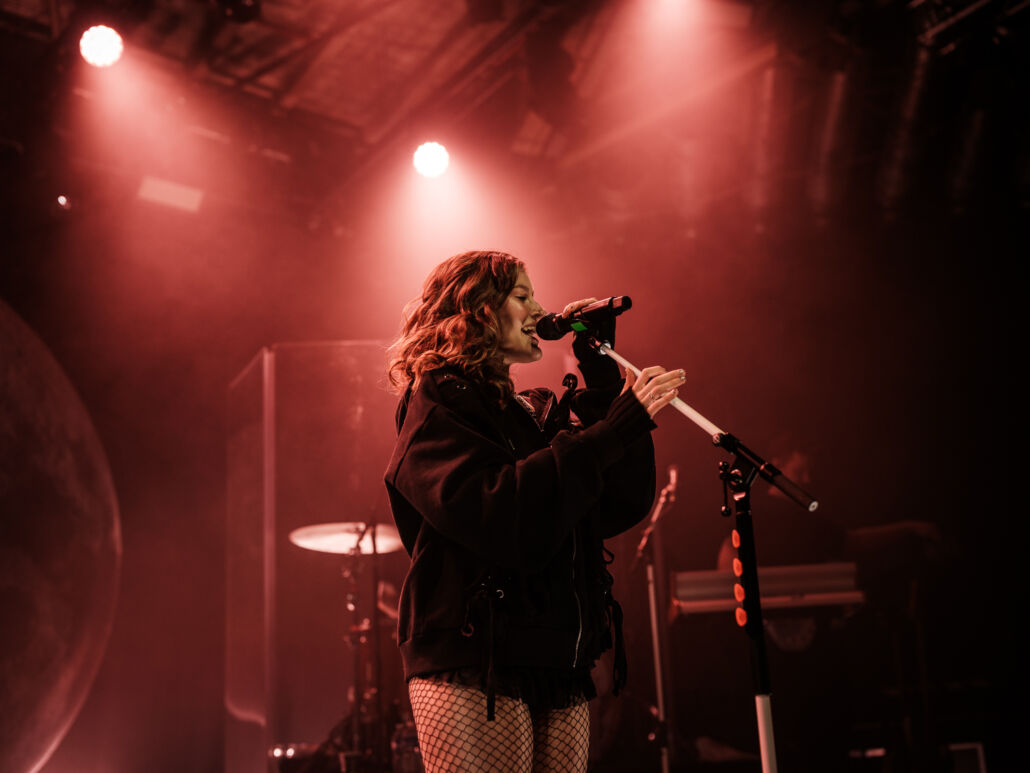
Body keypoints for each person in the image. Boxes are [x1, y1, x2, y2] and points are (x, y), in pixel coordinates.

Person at [384, 250, 683, 773]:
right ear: (478, 309)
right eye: (522, 296)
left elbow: (613, 505)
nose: (540, 309)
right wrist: (612, 430)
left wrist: (602, 380)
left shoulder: (528, 414)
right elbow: (499, 511)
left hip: (554, 649)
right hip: (474, 650)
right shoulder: (437, 402)